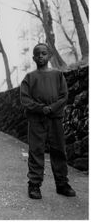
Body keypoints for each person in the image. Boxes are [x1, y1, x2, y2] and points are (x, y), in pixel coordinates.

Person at [20, 43, 76, 199]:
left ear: (49, 55)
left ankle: (62, 184)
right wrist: (40, 108)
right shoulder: (29, 78)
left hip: (55, 119)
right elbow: (25, 99)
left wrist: (51, 108)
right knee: (36, 151)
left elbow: (63, 96)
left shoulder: (58, 75)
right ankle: (34, 185)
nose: (40, 56)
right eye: (37, 54)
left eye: (44, 53)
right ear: (33, 58)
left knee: (59, 151)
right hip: (37, 120)